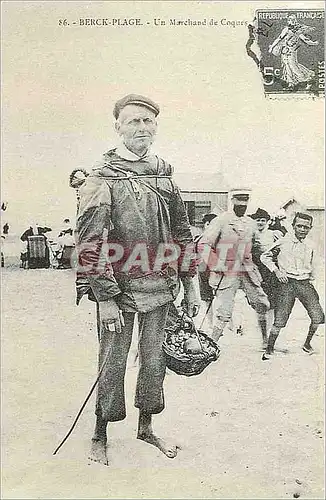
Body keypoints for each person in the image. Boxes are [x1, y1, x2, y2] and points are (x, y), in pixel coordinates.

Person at [75, 94, 199, 466]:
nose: (142, 128)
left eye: (148, 121)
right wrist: (106, 298)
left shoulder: (164, 173)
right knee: (112, 361)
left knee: (154, 360)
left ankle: (146, 427)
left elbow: (182, 230)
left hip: (160, 287)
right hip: (118, 290)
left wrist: (190, 282)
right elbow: (89, 242)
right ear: (118, 127)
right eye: (133, 122)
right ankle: (100, 433)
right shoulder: (102, 177)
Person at [198, 189, 270, 346]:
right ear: (232, 201)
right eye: (239, 203)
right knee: (224, 311)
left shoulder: (251, 223)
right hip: (226, 272)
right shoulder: (221, 221)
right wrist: (216, 264)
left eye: (245, 204)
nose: (242, 207)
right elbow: (203, 244)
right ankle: (212, 344)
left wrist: (271, 254)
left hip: (247, 271)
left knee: (262, 303)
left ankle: (266, 342)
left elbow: (257, 247)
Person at [260, 212, 324, 360]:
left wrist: (311, 277)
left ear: (310, 228)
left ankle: (307, 344)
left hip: (304, 282)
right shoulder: (284, 242)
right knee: (280, 319)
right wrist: (276, 271)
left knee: (318, 316)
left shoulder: (311, 245)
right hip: (286, 283)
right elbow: (265, 256)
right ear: (293, 226)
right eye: (299, 226)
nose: (302, 229)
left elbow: (315, 264)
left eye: (306, 227)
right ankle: (269, 349)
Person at [268, 14, 319, 90]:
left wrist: (313, 43)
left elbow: (305, 39)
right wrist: (272, 47)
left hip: (292, 52)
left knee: (293, 66)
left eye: (294, 20)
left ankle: (308, 80)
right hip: (284, 51)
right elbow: (279, 39)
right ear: (288, 21)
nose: (292, 21)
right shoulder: (286, 30)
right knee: (287, 67)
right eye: (290, 20)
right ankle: (291, 84)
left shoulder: (298, 31)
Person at [250, 207, 283, 310]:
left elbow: (282, 247)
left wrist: (274, 252)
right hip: (256, 268)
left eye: (263, 220)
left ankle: (271, 321)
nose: (260, 222)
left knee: (272, 296)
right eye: (258, 220)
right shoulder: (251, 234)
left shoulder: (273, 234)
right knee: (258, 297)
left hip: (270, 268)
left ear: (267, 222)